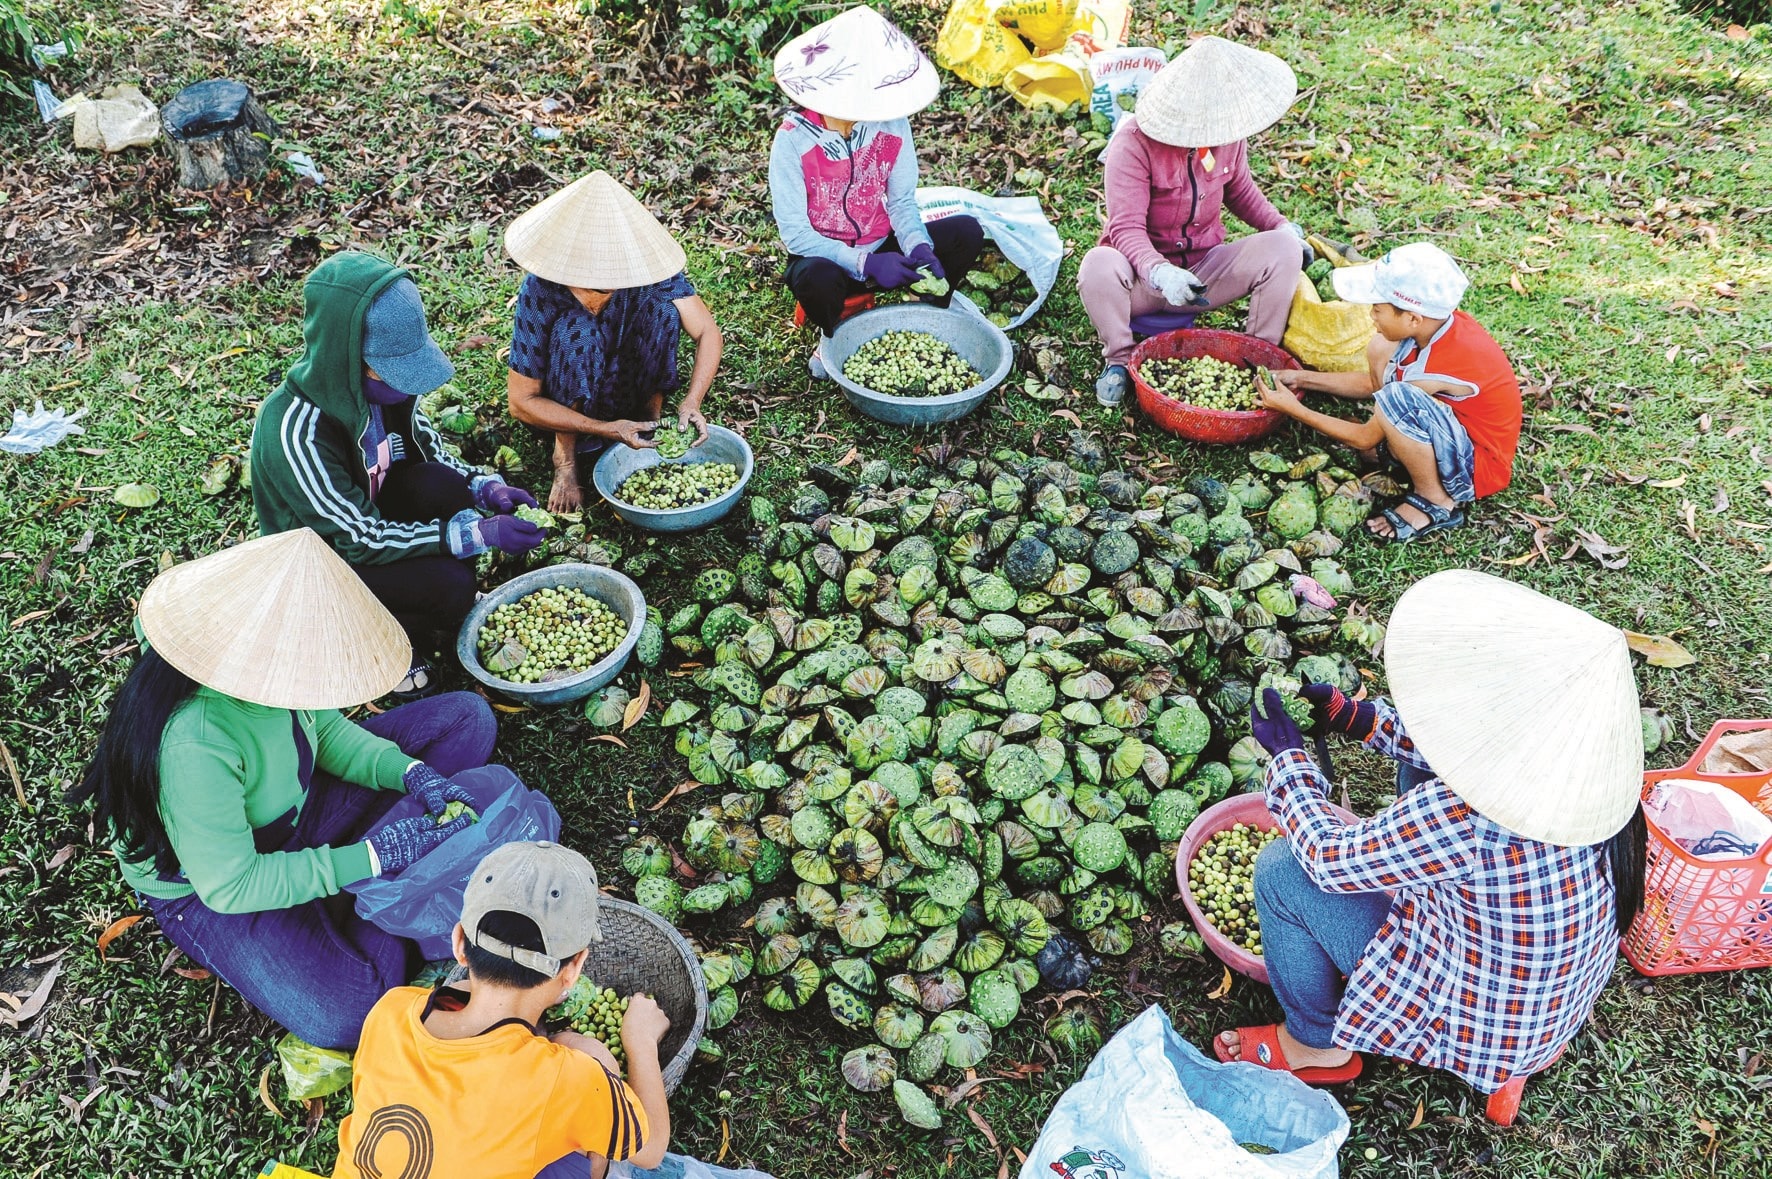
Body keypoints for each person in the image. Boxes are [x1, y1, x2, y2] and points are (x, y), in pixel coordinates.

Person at [1215, 570, 1646, 1123]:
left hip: (1472, 1014)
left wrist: (1289, 764)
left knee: (1281, 870)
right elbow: (1457, 748)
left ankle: (1316, 1047)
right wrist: (1361, 719)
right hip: (1542, 1017)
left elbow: (1325, 859)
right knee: (1415, 778)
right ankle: (1510, 1069)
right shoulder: (1599, 791)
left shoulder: (1465, 820)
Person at [70, 528, 519, 1049]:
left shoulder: (272, 660)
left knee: (466, 720)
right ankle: (359, 893)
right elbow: (232, 885)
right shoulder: (194, 744)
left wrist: (407, 772)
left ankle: (354, 890)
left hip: (293, 807)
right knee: (352, 1012)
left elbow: (323, 733)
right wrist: (372, 857)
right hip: (217, 886)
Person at [253, 251, 544, 695]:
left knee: (442, 488)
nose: (407, 386)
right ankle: (380, 646)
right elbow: (360, 539)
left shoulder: (387, 399)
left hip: (372, 525)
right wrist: (477, 534)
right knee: (450, 586)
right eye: (394, 373)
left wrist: (485, 488)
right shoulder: (296, 431)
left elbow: (432, 455)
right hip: (325, 567)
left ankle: (434, 604)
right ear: (348, 361)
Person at [332, 841, 671, 1179]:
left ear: (459, 943)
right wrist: (639, 1041)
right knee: (593, 1055)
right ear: (574, 967)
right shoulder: (567, 1079)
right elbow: (652, 1149)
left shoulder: (392, 1008)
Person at [1079, 37, 1312, 407]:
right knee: (1098, 265)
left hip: (1204, 275)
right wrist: (1160, 273)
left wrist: (1282, 227)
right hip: (1143, 282)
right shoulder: (1133, 145)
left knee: (1283, 248)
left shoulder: (1227, 137)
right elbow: (1125, 229)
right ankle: (1120, 360)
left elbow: (1240, 191)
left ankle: (1256, 358)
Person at [1257, 242, 1522, 542]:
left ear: (1412, 318)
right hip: (1451, 431)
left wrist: (1294, 409)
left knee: (1397, 399)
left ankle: (1436, 500)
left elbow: (1364, 436)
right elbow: (1373, 385)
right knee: (1380, 349)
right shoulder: (1431, 327)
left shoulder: (1434, 368)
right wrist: (1302, 379)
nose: (1371, 316)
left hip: (1477, 468)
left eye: (1377, 309)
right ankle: (1400, 447)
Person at [768, 5, 984, 372]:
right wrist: (866, 263)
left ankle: (925, 312)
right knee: (815, 279)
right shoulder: (792, 142)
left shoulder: (893, 126)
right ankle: (832, 336)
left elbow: (900, 201)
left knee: (966, 232)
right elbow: (796, 235)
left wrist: (919, 246)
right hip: (826, 255)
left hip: (880, 242)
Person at [503, 171, 725, 515]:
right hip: (563, 404)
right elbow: (521, 402)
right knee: (577, 331)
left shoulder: (644, 271)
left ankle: (649, 421)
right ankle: (565, 457)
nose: (597, 292)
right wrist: (603, 429)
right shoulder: (541, 290)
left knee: (662, 311)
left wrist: (692, 402)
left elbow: (707, 332)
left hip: (625, 380)